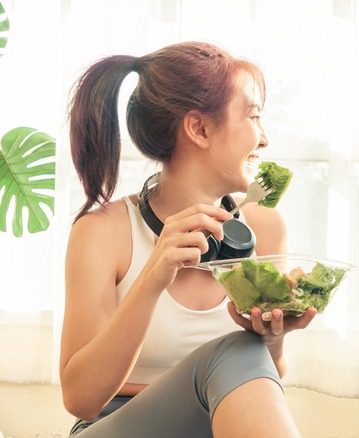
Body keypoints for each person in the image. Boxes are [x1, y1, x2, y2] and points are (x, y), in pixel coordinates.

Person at [61, 41, 312, 437]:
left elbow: (268, 376)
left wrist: (272, 338)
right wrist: (152, 277)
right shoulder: (103, 231)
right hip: (111, 425)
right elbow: (81, 399)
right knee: (236, 351)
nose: (263, 139)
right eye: (254, 117)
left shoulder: (265, 227)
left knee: (245, 351)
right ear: (199, 128)